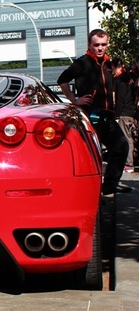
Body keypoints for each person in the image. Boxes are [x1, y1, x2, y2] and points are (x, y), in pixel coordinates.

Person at [57, 28, 130, 196]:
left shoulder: (109, 64)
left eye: (103, 45)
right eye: (96, 45)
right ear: (89, 45)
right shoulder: (82, 63)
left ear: (107, 44)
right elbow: (62, 80)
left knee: (121, 146)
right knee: (92, 156)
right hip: (90, 117)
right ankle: (92, 193)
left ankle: (109, 187)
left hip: (107, 117)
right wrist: (74, 100)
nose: (100, 48)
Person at [111, 57, 137, 173]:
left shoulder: (120, 80)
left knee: (127, 138)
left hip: (124, 113)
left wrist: (116, 115)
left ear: (114, 67)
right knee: (131, 137)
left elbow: (120, 99)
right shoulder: (130, 78)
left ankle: (128, 163)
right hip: (131, 111)